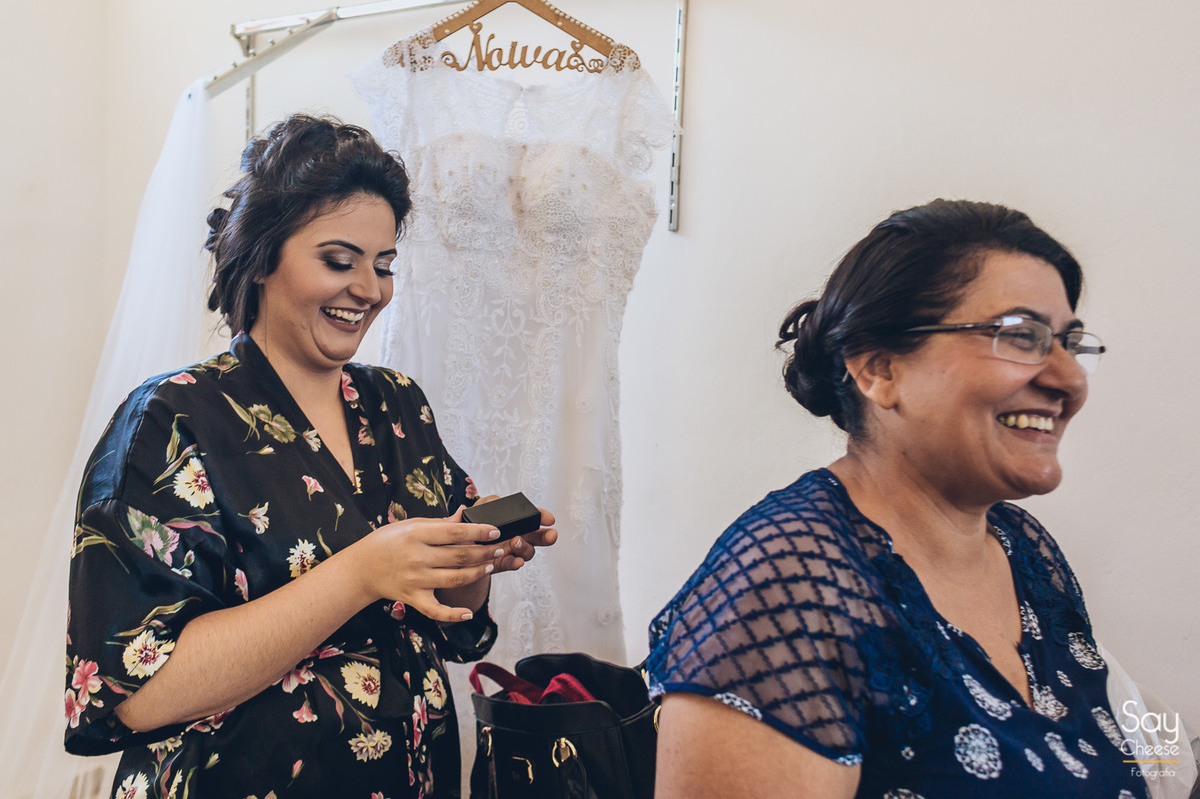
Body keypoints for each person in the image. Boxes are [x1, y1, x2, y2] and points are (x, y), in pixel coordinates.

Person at [64, 114, 556, 798]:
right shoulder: (172, 422)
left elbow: (447, 622)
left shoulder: (397, 405)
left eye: (383, 266)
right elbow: (136, 694)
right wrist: (361, 572)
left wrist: (470, 561)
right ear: (264, 255)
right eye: (339, 260)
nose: (370, 289)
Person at [647, 199, 1150, 798]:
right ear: (879, 368)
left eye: (1069, 342)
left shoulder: (1023, 547)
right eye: (1021, 336)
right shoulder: (786, 587)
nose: (1070, 380)